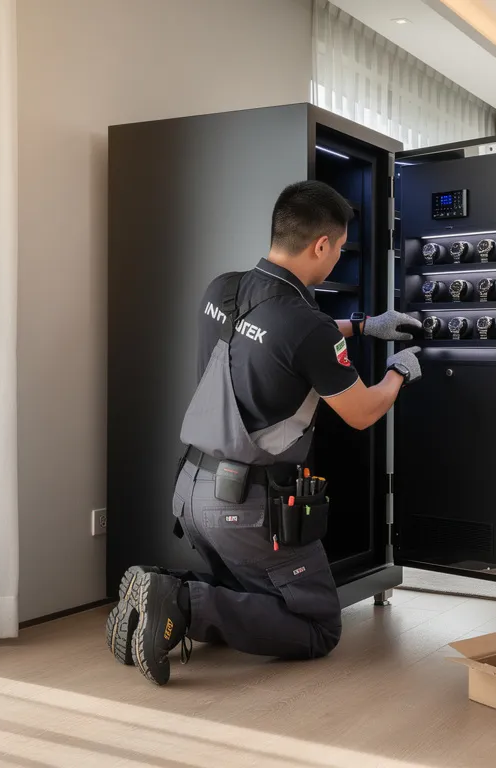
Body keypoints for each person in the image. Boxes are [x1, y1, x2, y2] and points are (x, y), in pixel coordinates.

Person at [107, 180, 422, 685]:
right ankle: (182, 601)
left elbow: (274, 338)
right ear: (321, 245)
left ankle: (155, 591)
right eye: (339, 249)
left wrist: (362, 327)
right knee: (318, 625)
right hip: (246, 507)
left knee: (251, 589)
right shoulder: (306, 325)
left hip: (191, 492)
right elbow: (361, 411)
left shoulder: (223, 288)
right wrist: (400, 371)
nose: (338, 258)